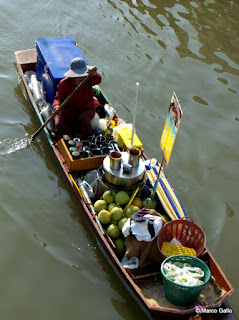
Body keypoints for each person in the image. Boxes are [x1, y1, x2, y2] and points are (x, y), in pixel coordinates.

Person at [53, 57, 101, 139]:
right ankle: (73, 134)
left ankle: (87, 137)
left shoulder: (88, 79)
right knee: (59, 125)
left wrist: (95, 74)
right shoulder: (64, 83)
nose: (80, 78)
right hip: (69, 110)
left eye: (82, 75)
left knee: (84, 118)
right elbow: (58, 98)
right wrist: (56, 107)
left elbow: (97, 80)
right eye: (77, 75)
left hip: (86, 108)